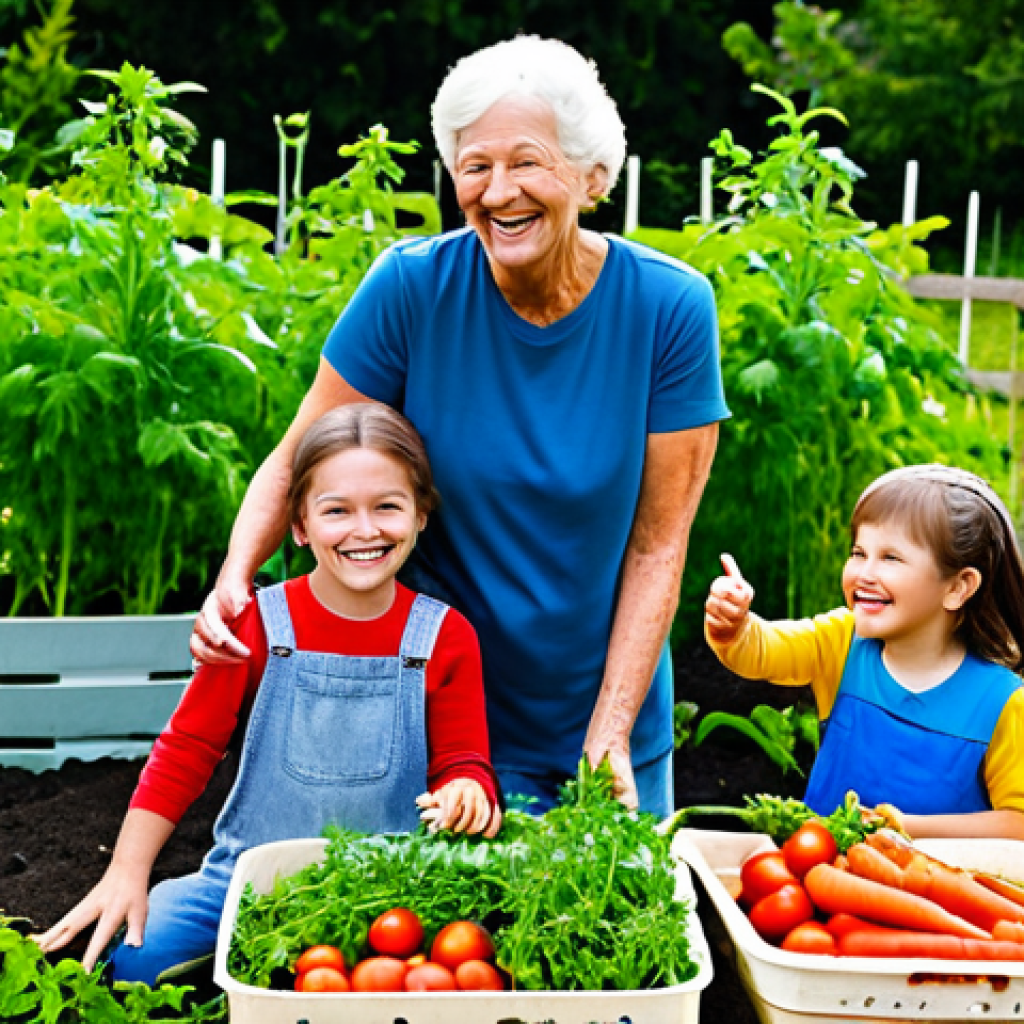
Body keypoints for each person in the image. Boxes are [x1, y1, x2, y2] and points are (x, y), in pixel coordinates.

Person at [190, 35, 729, 818]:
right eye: (475, 166)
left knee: (609, 932)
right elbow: (300, 455)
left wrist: (609, 731)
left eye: (526, 163)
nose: (498, 190)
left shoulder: (668, 309)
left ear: (591, 176)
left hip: (602, 719)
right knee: (440, 939)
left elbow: (658, 544)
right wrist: (237, 572)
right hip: (437, 721)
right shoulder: (412, 289)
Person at [36, 403, 502, 983]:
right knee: (135, 960)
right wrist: (127, 872)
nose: (365, 530)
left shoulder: (445, 636)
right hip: (248, 881)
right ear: (300, 525)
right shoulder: (258, 623)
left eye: (388, 506)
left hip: (392, 890)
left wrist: (467, 790)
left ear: (421, 515)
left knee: (471, 954)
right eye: (337, 511)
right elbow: (187, 747)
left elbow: (464, 760)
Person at [705, 463, 1024, 840]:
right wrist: (735, 626)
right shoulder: (842, 643)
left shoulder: (1002, 702)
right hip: (817, 878)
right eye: (859, 553)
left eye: (890, 558)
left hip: (930, 895)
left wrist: (904, 829)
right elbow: (761, 650)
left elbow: (1016, 823)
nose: (864, 574)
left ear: (957, 587)